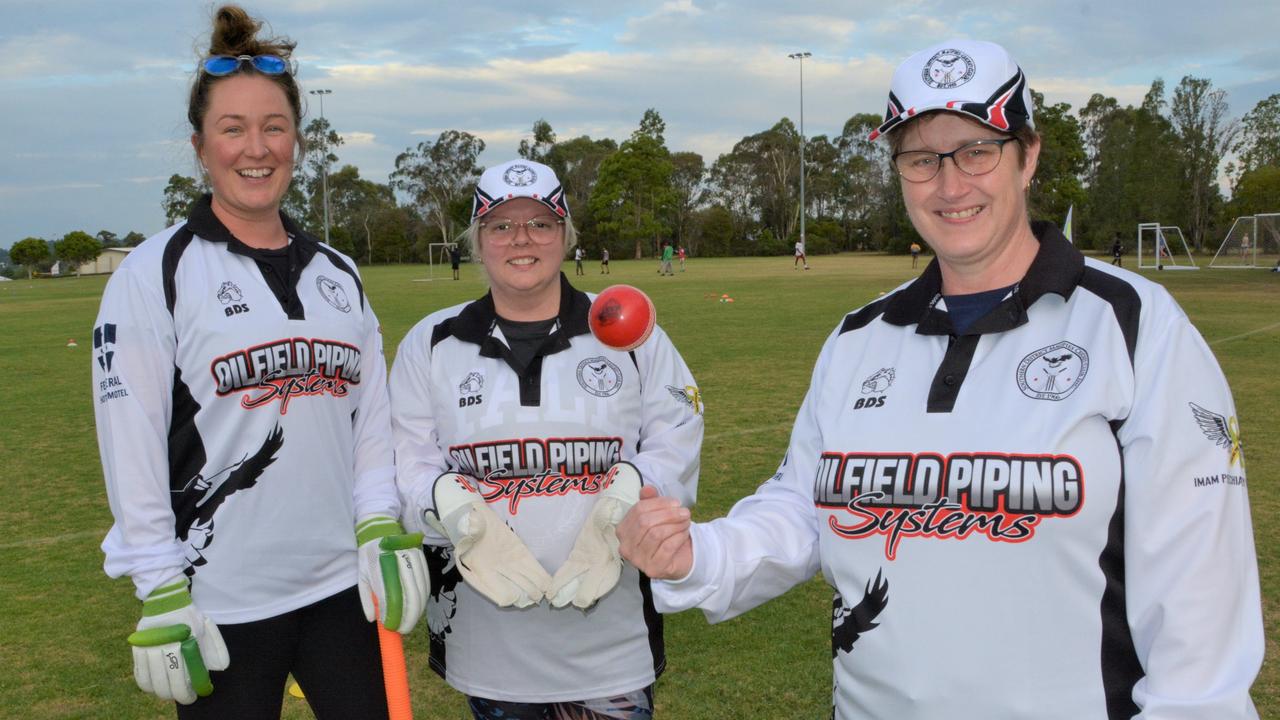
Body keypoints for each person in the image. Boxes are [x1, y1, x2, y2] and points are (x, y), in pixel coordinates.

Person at [618, 39, 1262, 720]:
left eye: (976, 150)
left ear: (1028, 155)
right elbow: (803, 509)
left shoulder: (1133, 327)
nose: (950, 185)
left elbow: (1199, 610)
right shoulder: (859, 339)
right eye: (922, 158)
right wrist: (700, 555)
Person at [91, 6, 427, 718]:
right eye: (233, 128)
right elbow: (132, 445)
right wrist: (159, 586)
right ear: (200, 145)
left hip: (343, 591)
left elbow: (369, 419)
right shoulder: (157, 274)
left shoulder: (338, 270)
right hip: (219, 605)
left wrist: (376, 521)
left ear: (298, 143)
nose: (257, 148)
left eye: (274, 127)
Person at [390, 159, 703, 719]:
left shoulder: (628, 334)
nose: (521, 239)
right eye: (501, 225)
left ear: (565, 235)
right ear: (477, 239)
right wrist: (448, 509)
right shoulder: (432, 342)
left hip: (611, 643)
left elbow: (678, 430)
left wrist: (631, 494)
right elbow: (406, 460)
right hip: (485, 641)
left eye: (540, 222)